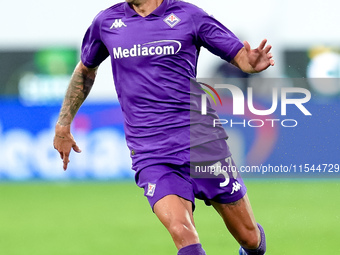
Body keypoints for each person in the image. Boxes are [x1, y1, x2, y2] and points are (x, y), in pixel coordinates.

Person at [53, 0, 274, 254]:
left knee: (249, 238)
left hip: (203, 143)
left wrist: (250, 62)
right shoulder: (106, 22)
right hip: (152, 153)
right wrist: (63, 124)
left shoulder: (188, 15)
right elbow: (85, 70)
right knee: (182, 231)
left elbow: (240, 56)